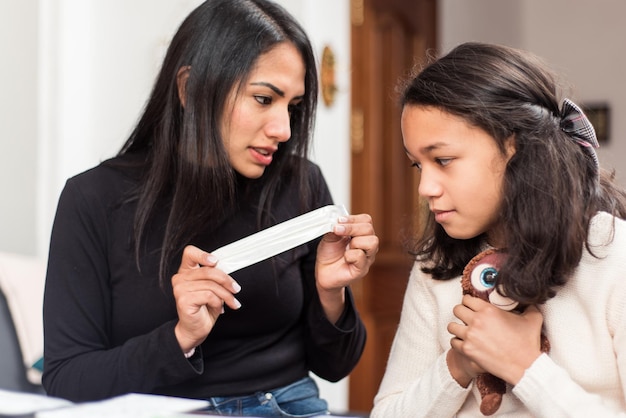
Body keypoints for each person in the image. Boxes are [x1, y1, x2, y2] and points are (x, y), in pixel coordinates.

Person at [42, 0, 379, 416]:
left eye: (292, 106)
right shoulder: (93, 199)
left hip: (288, 405)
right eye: (262, 98)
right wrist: (180, 337)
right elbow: (67, 380)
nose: (283, 129)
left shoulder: (301, 184)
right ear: (189, 88)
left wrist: (332, 294)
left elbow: (335, 366)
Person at [371, 42, 626, 417]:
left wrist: (525, 369)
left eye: (443, 160)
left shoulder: (613, 255)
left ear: (514, 147)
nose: (426, 188)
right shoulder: (435, 266)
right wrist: (458, 364)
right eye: (418, 166)